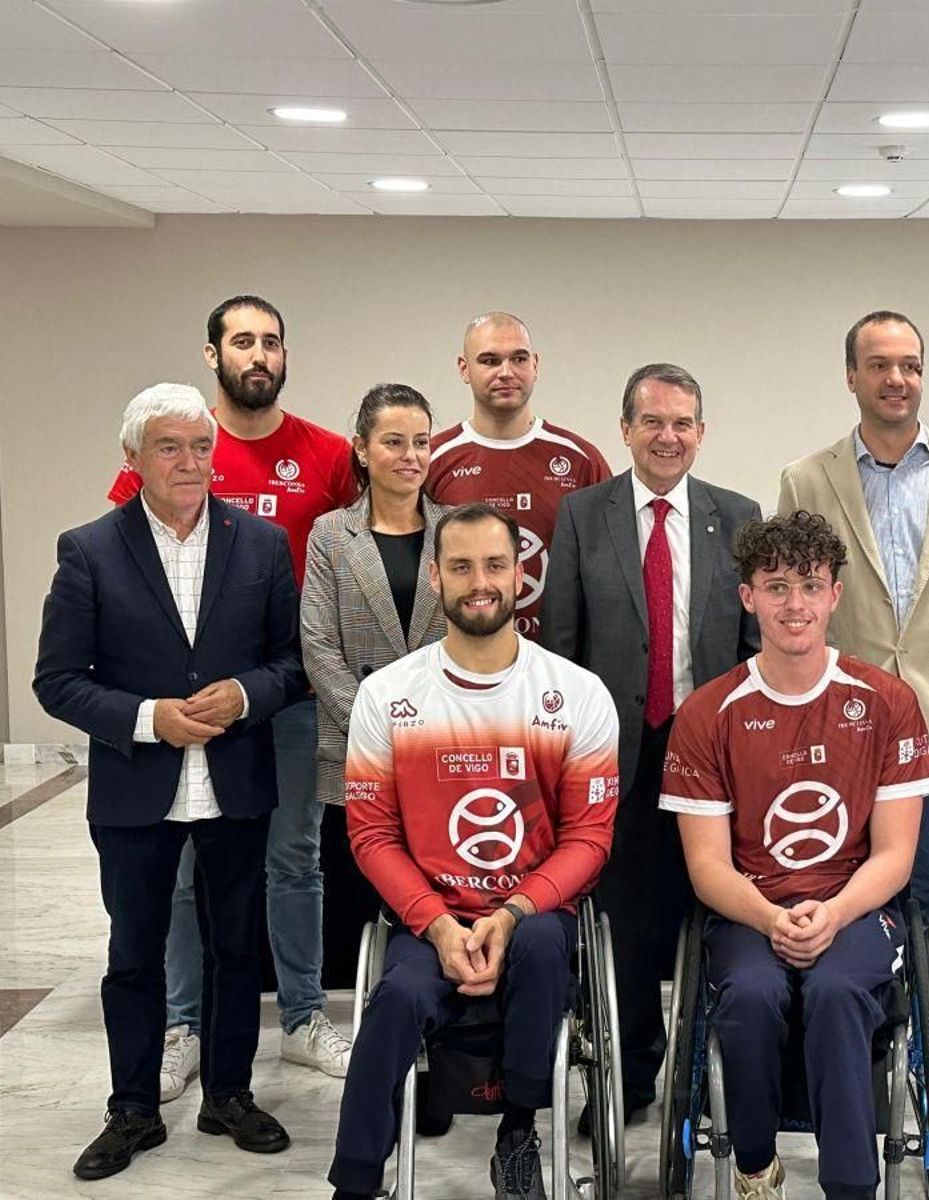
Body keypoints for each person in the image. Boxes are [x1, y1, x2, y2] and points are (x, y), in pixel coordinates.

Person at [36, 383, 303, 1180]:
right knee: (135, 955)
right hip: (135, 791)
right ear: (133, 459)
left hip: (235, 786)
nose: (189, 462)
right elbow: (58, 681)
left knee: (233, 951)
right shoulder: (88, 549)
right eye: (168, 447)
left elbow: (291, 663)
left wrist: (248, 693)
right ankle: (133, 1110)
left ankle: (228, 1093)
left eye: (200, 447)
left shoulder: (259, 544)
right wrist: (152, 717)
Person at [328, 503, 620, 1200]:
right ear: (436, 577)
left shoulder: (577, 695)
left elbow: (590, 836)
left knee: (548, 947)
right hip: (430, 919)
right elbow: (370, 835)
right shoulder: (387, 696)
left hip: (534, 913)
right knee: (395, 997)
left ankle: (518, 1132)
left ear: (521, 575)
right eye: (461, 567)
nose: (480, 581)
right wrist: (435, 923)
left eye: (495, 565)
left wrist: (513, 912)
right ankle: (355, 1182)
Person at [108, 295, 357, 1096]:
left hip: (279, 695)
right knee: (180, 869)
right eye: (242, 341)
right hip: (175, 704)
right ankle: (182, 1025)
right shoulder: (172, 441)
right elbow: (128, 567)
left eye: (272, 342)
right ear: (212, 354)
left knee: (293, 861)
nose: (260, 354)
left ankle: (304, 1016)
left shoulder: (323, 453)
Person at [776, 311, 929, 1112]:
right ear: (851, 375)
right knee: (853, 887)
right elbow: (796, 605)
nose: (895, 379)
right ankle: (861, 1041)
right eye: (878, 365)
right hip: (843, 727)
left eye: (909, 364)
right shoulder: (806, 480)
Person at [662, 511, 929, 1200]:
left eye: (811, 586)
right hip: (749, 906)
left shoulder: (886, 701)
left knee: (839, 989)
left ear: (834, 596)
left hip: (854, 905)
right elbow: (706, 868)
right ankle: (756, 1166)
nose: (795, 604)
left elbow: (896, 853)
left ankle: (851, 1186)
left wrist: (834, 911)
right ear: (748, 597)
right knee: (752, 995)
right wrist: (769, 919)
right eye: (777, 586)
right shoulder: (707, 713)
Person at [540, 362, 760, 1125]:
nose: (668, 436)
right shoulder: (581, 514)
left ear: (701, 432)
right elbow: (562, 649)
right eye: (653, 422)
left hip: (713, 762)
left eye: (683, 423)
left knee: (715, 925)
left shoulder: (738, 516)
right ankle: (630, 1080)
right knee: (627, 933)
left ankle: (706, 1081)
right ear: (625, 428)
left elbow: (754, 649)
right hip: (617, 759)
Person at [301, 383, 451, 972]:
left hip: (442, 746)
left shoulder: (456, 530)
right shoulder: (332, 536)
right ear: (361, 449)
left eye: (421, 441)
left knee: (435, 898)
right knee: (358, 897)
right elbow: (317, 644)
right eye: (393, 442)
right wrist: (375, 726)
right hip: (355, 750)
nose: (410, 455)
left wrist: (423, 730)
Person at [427, 311, 611, 640]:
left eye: (519, 359)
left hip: (557, 659)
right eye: (490, 360)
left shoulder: (580, 460)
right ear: (464, 369)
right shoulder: (433, 459)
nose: (506, 372)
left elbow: (609, 573)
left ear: (535, 365)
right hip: (461, 654)